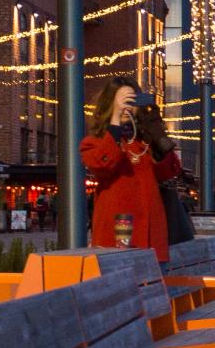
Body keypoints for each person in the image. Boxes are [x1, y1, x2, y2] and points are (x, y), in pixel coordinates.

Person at [78, 76, 183, 261]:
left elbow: (170, 171)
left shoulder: (144, 144)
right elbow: (102, 164)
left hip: (151, 238)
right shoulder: (94, 143)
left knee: (153, 287)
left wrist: (159, 137)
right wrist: (115, 120)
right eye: (122, 101)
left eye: (131, 101)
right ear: (109, 104)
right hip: (116, 237)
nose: (126, 107)